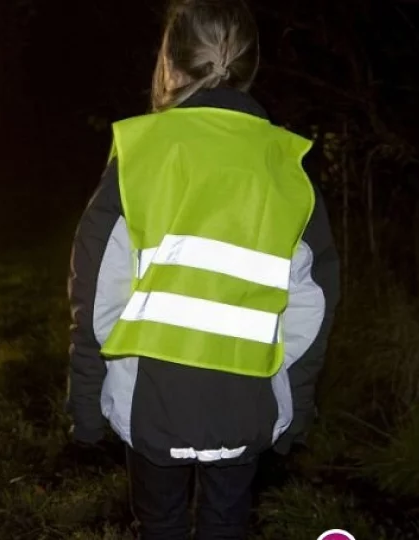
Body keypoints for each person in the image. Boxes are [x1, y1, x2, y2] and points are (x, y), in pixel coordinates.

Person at [66, 0, 341, 538]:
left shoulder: (140, 156)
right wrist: (295, 405)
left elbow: (98, 292)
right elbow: (311, 305)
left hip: (150, 404)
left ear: (169, 64)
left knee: (161, 522)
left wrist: (85, 403)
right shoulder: (288, 168)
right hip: (248, 404)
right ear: (251, 65)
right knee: (226, 522)